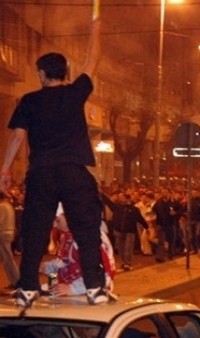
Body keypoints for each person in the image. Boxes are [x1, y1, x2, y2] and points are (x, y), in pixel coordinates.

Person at [0, 11, 115, 307]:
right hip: (75, 172)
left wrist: (5, 169)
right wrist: (96, 31)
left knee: (35, 229)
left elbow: (17, 138)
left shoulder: (29, 100)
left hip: (42, 172)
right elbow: (93, 60)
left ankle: (27, 288)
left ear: (41, 74)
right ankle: (94, 288)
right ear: (65, 72)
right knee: (86, 228)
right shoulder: (75, 93)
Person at [40, 205, 115, 297]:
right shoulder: (68, 236)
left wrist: (73, 288)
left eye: (58, 220)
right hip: (74, 288)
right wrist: (47, 267)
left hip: (85, 293)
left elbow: (103, 272)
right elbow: (64, 262)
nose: (55, 224)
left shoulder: (85, 238)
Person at [101, 192, 148, 271]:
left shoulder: (134, 209)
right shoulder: (117, 207)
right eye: (120, 197)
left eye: (122, 197)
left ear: (127, 198)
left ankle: (127, 263)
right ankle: (123, 262)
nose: (120, 198)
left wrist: (146, 227)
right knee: (120, 248)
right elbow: (108, 202)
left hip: (130, 231)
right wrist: (101, 193)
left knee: (128, 248)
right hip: (118, 231)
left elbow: (140, 219)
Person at [0, 191, 19, 289]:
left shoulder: (2, 207)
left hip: (3, 233)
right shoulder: (9, 206)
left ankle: (16, 280)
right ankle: (15, 280)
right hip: (9, 232)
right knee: (7, 258)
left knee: (8, 259)